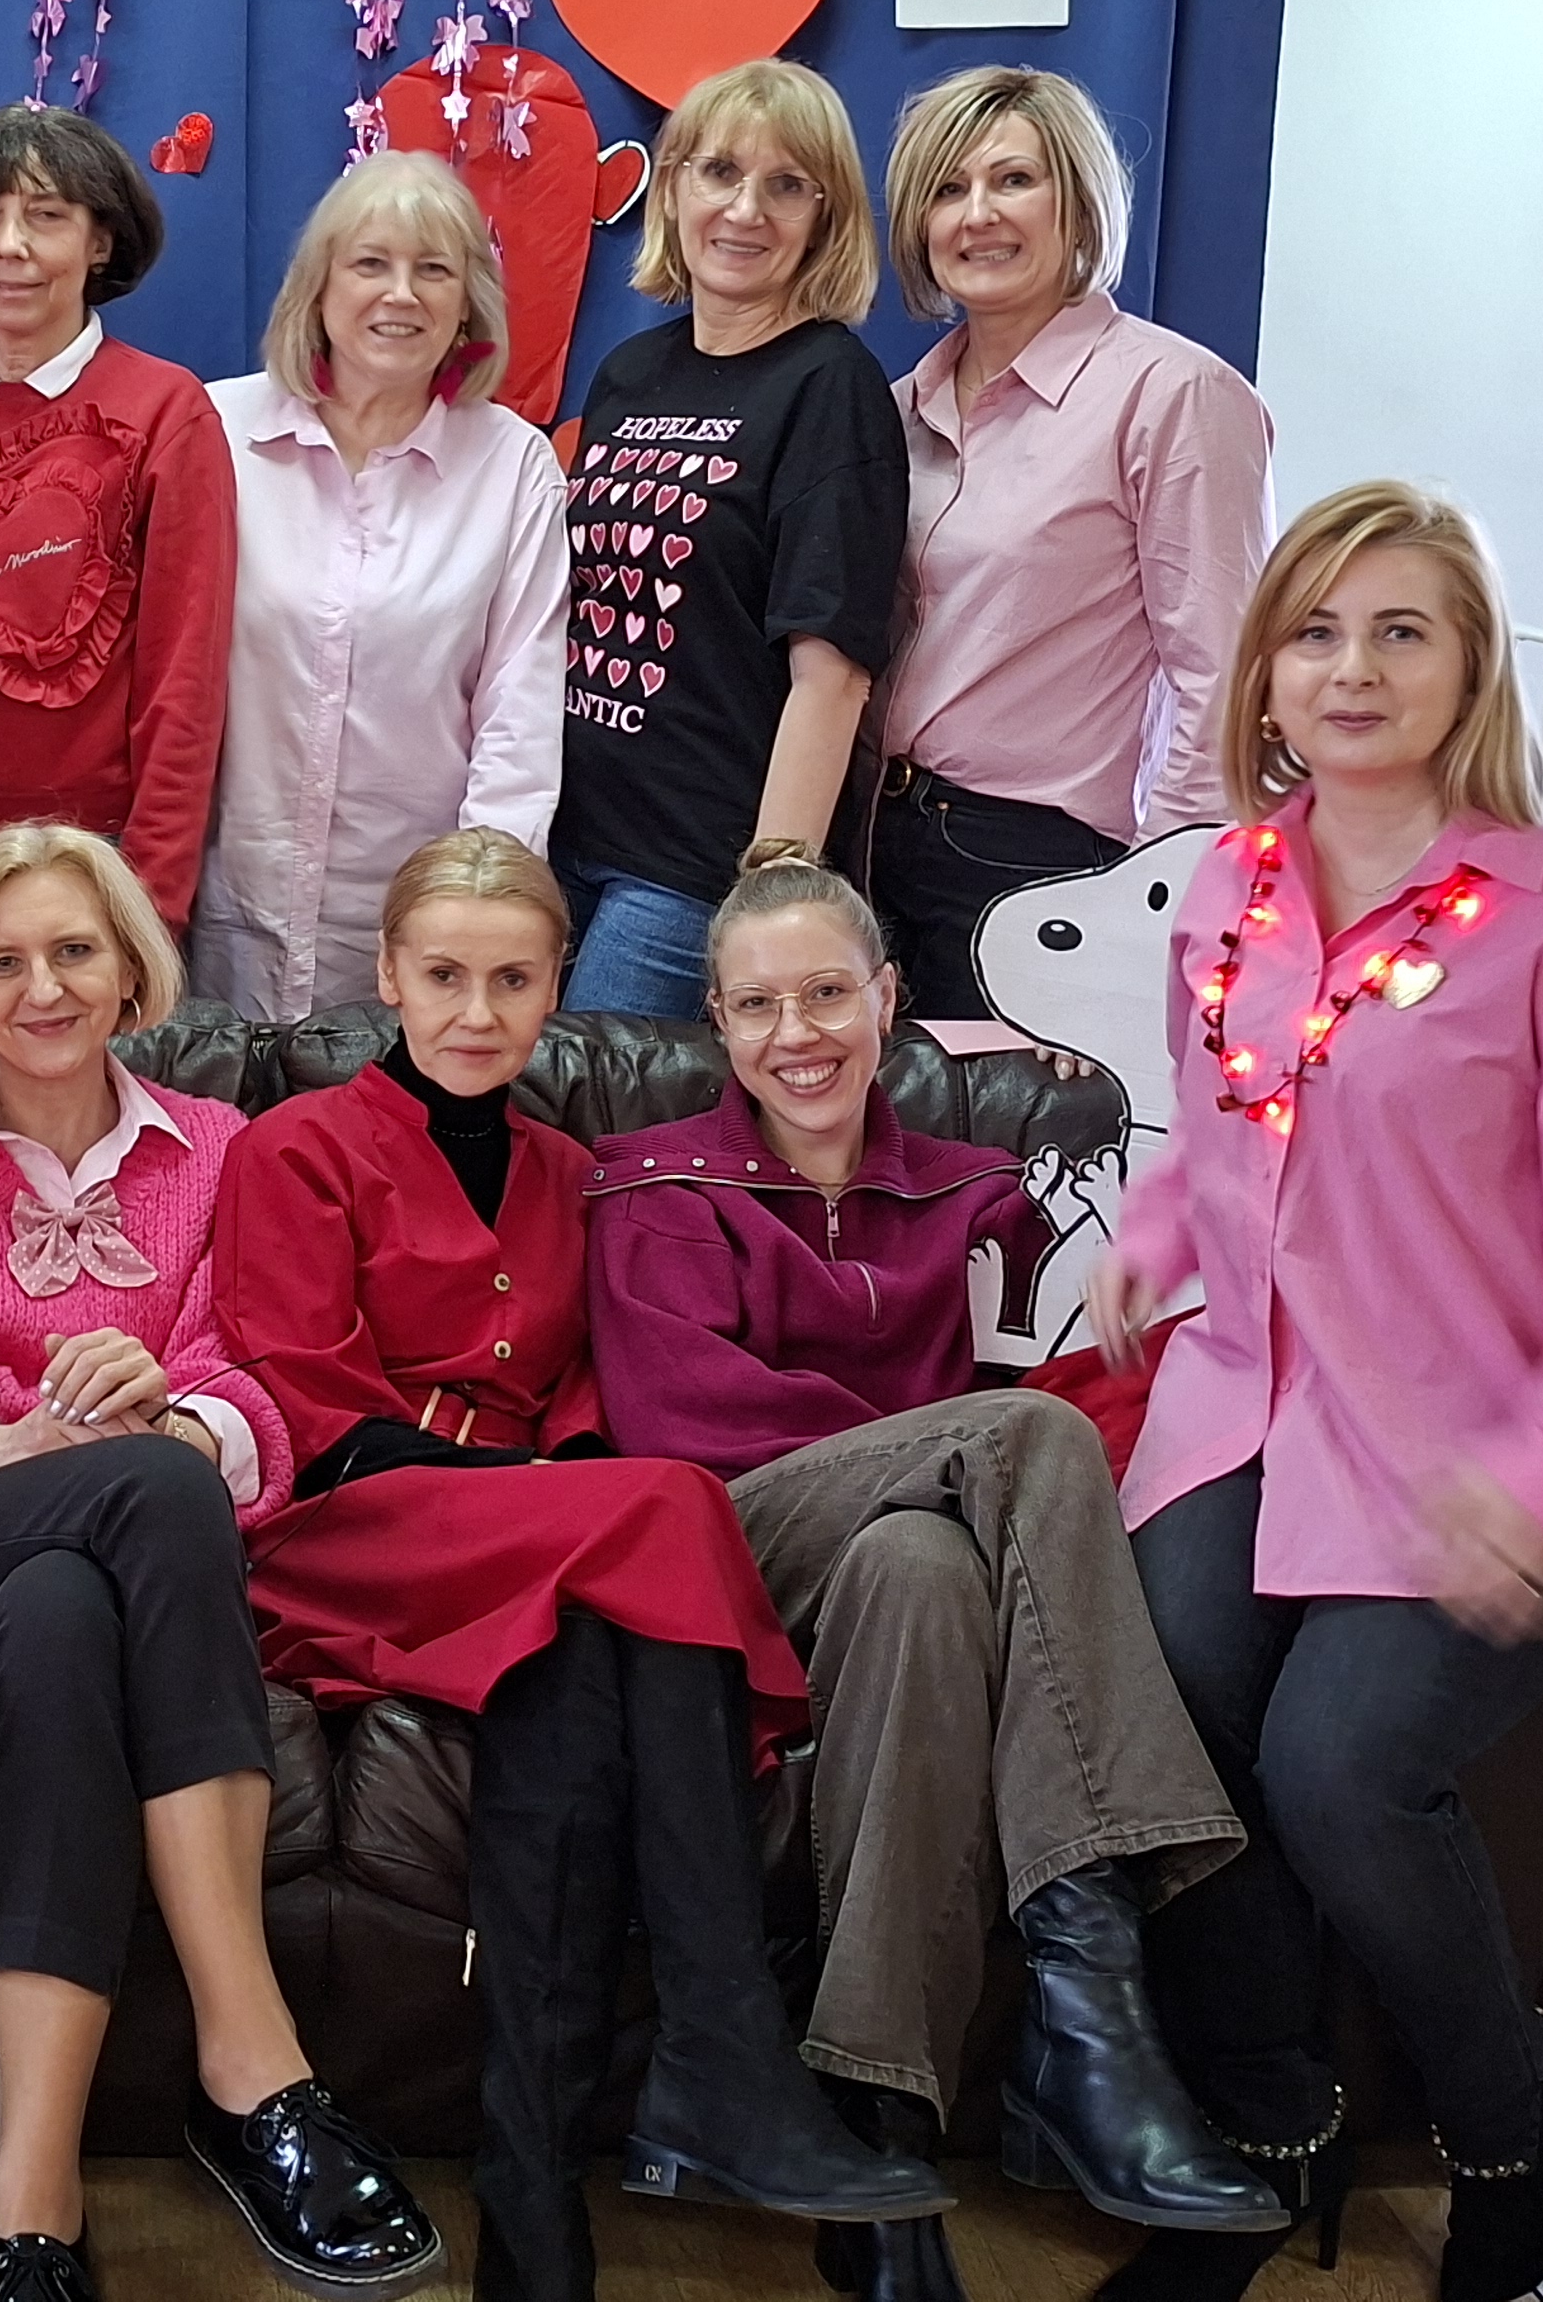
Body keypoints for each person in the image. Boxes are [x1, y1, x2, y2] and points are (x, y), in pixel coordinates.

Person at [1082, 483, 1543, 2302]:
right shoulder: (1234, 888)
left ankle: (1501, 2115)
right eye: (1314, 631)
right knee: (1170, 1704)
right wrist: (1156, 1236)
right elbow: (1227, 1128)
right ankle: (1264, 2125)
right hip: (1255, 1407)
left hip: (1497, 1446)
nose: (1351, 668)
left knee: (1342, 1767)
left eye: (1400, 631)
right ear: (1264, 672)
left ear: (1469, 671)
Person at [213, 830, 949, 2302]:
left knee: (588, 1651)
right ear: (388, 976)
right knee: (665, 1511)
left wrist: (561, 1500)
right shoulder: (295, 1146)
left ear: (559, 987)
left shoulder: (578, 1173)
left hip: (540, 1557)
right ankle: (726, 2049)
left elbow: (592, 1393)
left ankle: (533, 2214)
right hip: (349, 1534)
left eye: (512, 980)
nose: (475, 1013)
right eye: (443, 976)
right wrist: (557, 1498)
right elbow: (311, 1409)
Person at [589, 843, 1279, 2302]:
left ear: (889, 998)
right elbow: (680, 1425)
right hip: (731, 1549)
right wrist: (941, 1447)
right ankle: (1089, 1996)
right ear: (716, 1022)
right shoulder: (655, 1184)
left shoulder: (986, 1190)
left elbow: (1125, 1314)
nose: (797, 1035)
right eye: (758, 1005)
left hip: (909, 1557)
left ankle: (881, 2144)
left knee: (923, 1574)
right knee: (1016, 1443)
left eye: (827, 994)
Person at [0, 824, 438, 2302]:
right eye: (2, 961)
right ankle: (253, 2061)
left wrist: (175, 1410)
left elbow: (252, 1384)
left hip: (102, 1582)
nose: (43, 989)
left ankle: (33, 2195)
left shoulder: (219, 1147)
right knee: (138, 1493)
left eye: (74, 950)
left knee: (70, 1603)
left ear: (128, 967)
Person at [868, 67, 1271, 1019]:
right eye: (948, 188)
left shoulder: (1173, 396)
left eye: (1014, 180)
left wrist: (1147, 915)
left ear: (1079, 203)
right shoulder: (897, 408)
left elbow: (1225, 678)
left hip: (1038, 865)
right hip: (876, 843)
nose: (978, 214)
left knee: (1006, 1125)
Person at [0, 107, 238, 976]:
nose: (8, 246)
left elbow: (186, 678)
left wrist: (152, 899)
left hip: (89, 854)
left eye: (47, 216)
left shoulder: (166, 411)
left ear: (100, 243)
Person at [552, 60, 906, 1020]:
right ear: (673, 189)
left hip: (692, 871)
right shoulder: (630, 372)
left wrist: (770, 892)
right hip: (562, 837)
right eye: (719, 172)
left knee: (598, 1111)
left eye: (786, 185)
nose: (745, 210)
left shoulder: (831, 387)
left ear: (824, 219)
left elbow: (833, 675)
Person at [194, 154, 571, 1019]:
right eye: (371, 263)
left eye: (433, 269)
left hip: (414, 941)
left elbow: (518, 717)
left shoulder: (513, 467)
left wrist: (477, 922)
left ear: (466, 303)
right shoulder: (214, 430)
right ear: (318, 286)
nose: (401, 295)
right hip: (218, 915)